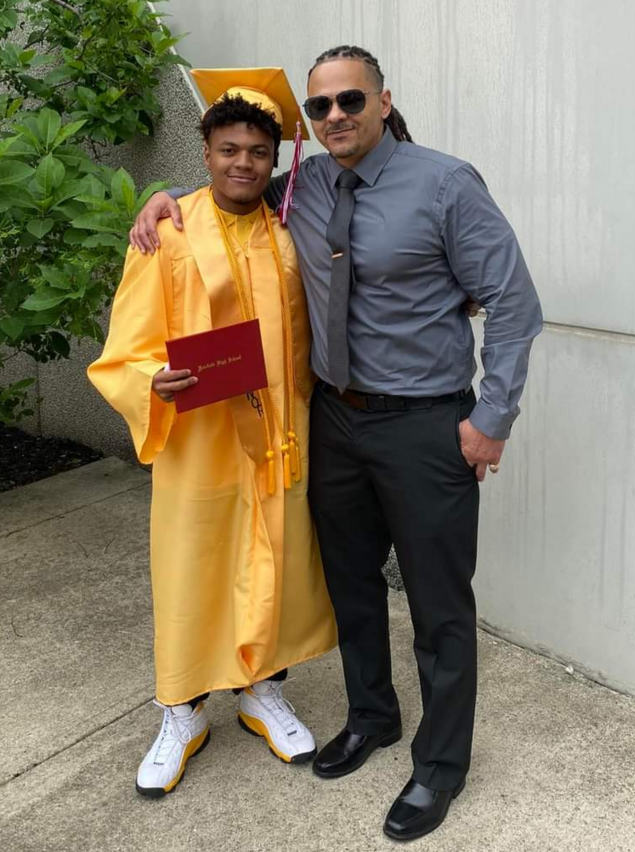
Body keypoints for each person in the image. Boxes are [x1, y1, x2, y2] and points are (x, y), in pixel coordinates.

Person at [131, 45, 543, 839]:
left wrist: (491, 419)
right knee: (352, 585)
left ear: (383, 101)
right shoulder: (305, 184)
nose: (334, 117)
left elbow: (514, 303)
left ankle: (439, 766)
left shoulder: (446, 184)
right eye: (319, 107)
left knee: (438, 604)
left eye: (350, 100)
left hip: (425, 424)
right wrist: (161, 197)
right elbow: (230, 184)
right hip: (337, 422)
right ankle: (372, 717)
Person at [88, 68, 337, 799]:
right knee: (192, 569)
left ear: (274, 159)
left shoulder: (290, 231)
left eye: (258, 152)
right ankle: (183, 711)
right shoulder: (166, 233)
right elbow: (125, 349)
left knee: (276, 562)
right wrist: (150, 382)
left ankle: (262, 690)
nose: (243, 164)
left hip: (281, 436)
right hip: (200, 438)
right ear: (205, 153)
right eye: (229, 149)